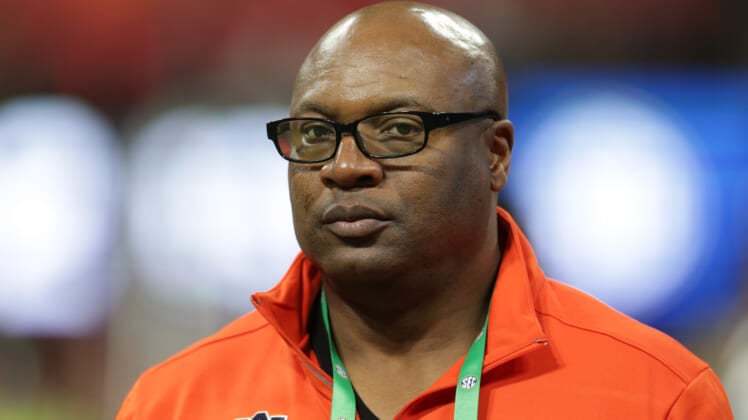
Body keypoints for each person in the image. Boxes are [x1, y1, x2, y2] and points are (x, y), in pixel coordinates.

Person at [116, 2, 733, 419]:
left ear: (495, 155)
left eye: (398, 130)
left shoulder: (656, 396)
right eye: (315, 134)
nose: (344, 167)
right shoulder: (176, 402)